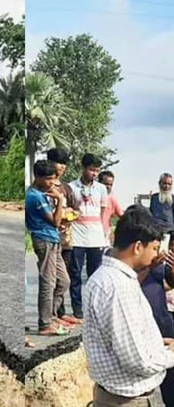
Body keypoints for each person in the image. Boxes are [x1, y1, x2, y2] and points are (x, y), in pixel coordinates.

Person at [83, 206, 174, 406]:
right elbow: (140, 361)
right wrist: (170, 354)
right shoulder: (117, 287)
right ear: (138, 247)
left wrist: (157, 344)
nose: (156, 255)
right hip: (128, 401)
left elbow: (125, 339)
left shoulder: (111, 277)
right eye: (154, 248)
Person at [26, 160, 71, 336]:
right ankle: (44, 324)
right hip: (43, 240)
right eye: (48, 180)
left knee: (63, 281)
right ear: (37, 177)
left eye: (53, 179)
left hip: (54, 240)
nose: (52, 183)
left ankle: (51, 316)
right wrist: (59, 200)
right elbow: (55, 221)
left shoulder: (43, 193)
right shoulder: (35, 196)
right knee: (48, 282)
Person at [68, 153, 108, 320]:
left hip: (96, 237)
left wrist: (104, 234)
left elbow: (104, 212)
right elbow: (68, 211)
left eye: (97, 171)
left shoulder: (101, 188)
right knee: (75, 274)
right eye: (92, 170)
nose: (94, 173)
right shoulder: (71, 187)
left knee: (95, 275)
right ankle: (77, 309)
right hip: (77, 237)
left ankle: (94, 308)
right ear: (83, 168)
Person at [46, 148, 81, 324]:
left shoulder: (66, 188)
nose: (62, 167)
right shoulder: (45, 186)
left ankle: (60, 313)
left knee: (64, 279)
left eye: (64, 164)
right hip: (50, 238)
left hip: (66, 240)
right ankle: (50, 315)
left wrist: (69, 214)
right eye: (59, 163)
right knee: (51, 279)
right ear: (50, 163)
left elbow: (77, 210)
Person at [141, 237, 174, 406]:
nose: (157, 251)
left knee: (171, 379)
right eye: (154, 247)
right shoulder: (122, 267)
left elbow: (166, 284)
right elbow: (132, 283)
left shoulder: (158, 261)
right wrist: (148, 267)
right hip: (145, 325)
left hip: (163, 319)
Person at [99, 170, 124, 245]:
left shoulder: (112, 198)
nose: (108, 187)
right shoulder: (90, 196)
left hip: (104, 235)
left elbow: (122, 216)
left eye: (110, 185)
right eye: (106, 184)